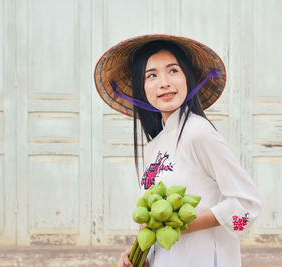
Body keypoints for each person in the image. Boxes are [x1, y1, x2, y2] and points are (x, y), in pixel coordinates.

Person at [94, 34, 262, 267]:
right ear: (141, 89)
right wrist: (141, 255)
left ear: (187, 78)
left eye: (173, 71)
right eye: (151, 75)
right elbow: (156, 223)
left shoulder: (198, 132)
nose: (164, 82)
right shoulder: (154, 147)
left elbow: (248, 206)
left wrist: (182, 225)